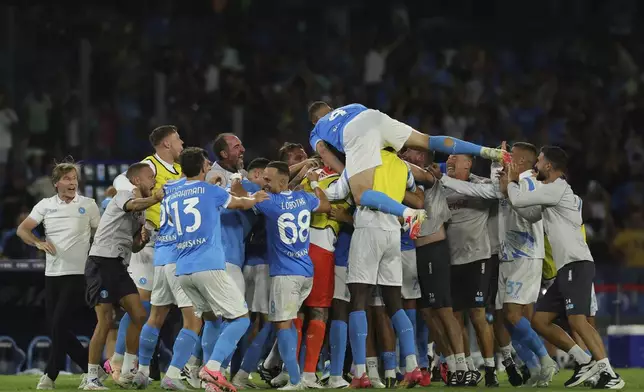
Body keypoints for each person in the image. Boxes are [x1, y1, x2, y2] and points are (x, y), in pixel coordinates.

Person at [436, 142, 556, 387]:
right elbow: (494, 188)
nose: (505, 160)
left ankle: (546, 359)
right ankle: (532, 366)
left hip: (525, 256)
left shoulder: (528, 184)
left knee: (513, 316)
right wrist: (496, 165)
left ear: (520, 162)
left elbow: (531, 213)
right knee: (502, 317)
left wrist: (509, 189)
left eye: (509, 157)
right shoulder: (506, 180)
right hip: (505, 257)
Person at [504, 146, 625, 389]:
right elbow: (529, 213)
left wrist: (511, 179)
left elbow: (518, 199)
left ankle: (608, 372)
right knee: (540, 321)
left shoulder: (557, 188)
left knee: (578, 320)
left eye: (538, 161)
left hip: (576, 263)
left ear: (549, 166)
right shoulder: (553, 193)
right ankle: (583, 361)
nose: (535, 166)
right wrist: (513, 188)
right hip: (566, 268)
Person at [307, 102, 508, 239]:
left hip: (353, 132)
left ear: (315, 120)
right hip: (372, 116)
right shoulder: (351, 106)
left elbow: (323, 151)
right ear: (331, 108)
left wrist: (347, 171)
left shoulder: (316, 130)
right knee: (427, 140)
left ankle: (409, 214)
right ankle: (487, 151)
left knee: (361, 195)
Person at [169, 147, 267, 392]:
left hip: (182, 270)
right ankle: (213, 367)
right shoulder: (211, 191)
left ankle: (204, 379)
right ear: (204, 167)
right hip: (208, 266)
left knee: (211, 320)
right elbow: (238, 203)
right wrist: (254, 199)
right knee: (241, 319)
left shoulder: (173, 194)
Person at [324, 149, 423, 388]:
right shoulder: (402, 166)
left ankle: (360, 372)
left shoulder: (362, 160)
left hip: (368, 228)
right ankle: (412, 365)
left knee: (358, 299)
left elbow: (337, 192)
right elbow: (416, 193)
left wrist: (315, 188)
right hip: (393, 234)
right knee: (394, 302)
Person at [16, 162, 102, 390]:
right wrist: (38, 243)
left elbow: (101, 236)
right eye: (67, 178)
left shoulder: (88, 205)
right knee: (55, 326)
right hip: (52, 273)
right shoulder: (45, 205)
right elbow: (22, 229)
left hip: (78, 274)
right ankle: (90, 367)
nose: (72, 182)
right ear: (56, 183)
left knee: (59, 323)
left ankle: (50, 375)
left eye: (74, 178)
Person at [109, 125, 184, 380]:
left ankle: (135, 365)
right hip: (149, 240)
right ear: (166, 144)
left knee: (157, 308)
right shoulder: (150, 165)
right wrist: (136, 201)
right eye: (177, 140)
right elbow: (121, 181)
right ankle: (118, 363)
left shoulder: (181, 170)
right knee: (139, 304)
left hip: (171, 243)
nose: (182, 143)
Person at [82, 163, 163, 390]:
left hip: (119, 266)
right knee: (106, 321)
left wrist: (141, 240)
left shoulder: (142, 211)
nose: (154, 183)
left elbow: (135, 247)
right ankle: (91, 378)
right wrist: (156, 198)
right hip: (101, 263)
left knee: (138, 314)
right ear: (137, 181)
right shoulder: (124, 195)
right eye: (150, 178)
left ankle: (127, 370)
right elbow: (132, 204)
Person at [255, 161, 331, 390]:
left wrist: (240, 182)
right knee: (290, 321)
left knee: (283, 325)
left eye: (268, 180)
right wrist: (316, 182)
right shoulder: (305, 198)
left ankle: (295, 380)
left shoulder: (269, 202)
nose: (265, 184)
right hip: (305, 271)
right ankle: (290, 374)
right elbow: (326, 204)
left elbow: (244, 197)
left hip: (285, 275)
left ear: (282, 180)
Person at [131, 176, 205, 390]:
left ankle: (142, 372)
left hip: (161, 257)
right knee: (194, 321)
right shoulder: (200, 190)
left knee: (155, 318)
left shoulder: (170, 186)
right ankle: (172, 374)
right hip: (179, 258)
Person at [405, 153, 468, 387]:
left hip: (434, 249)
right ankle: (450, 361)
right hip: (417, 252)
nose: (404, 154)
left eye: (410, 151)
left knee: (443, 310)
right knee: (428, 313)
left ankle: (461, 365)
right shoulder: (406, 178)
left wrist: (392, 160)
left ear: (421, 156)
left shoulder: (428, 175)